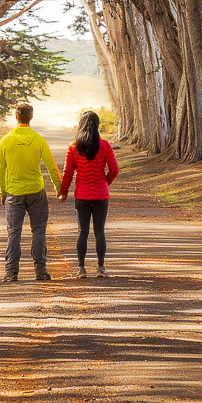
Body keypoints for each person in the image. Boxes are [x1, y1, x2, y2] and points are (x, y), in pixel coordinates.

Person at [0, 102, 62, 283]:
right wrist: (59, 188)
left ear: (16, 117)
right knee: (39, 231)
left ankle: (11, 272)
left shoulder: (6, 141)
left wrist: (2, 192)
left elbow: (0, 171)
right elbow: (52, 167)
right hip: (36, 191)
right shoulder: (39, 140)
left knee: (14, 232)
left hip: (14, 193)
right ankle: (40, 271)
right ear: (31, 118)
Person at [57, 110, 119, 278]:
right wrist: (105, 182)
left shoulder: (74, 147)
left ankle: (81, 268)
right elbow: (114, 170)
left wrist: (63, 192)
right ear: (97, 126)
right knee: (100, 231)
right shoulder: (105, 145)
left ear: (81, 125)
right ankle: (101, 268)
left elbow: (68, 172)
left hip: (82, 195)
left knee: (82, 232)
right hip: (101, 195)